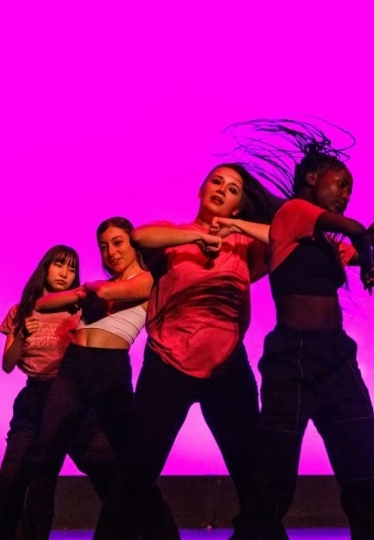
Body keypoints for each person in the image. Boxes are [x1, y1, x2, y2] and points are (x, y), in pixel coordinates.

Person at [92, 164, 284, 540]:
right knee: (138, 467)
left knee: (251, 471)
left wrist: (235, 228)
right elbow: (140, 236)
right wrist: (195, 240)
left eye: (232, 189)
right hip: (168, 364)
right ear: (201, 188)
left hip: (227, 368)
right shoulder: (174, 236)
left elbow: (283, 237)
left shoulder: (245, 246)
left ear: (237, 205)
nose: (221, 190)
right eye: (216, 182)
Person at [229, 119, 374, 540]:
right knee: (276, 468)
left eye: (349, 191)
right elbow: (357, 232)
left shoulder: (323, 244)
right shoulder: (292, 214)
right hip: (293, 359)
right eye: (340, 185)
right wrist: (367, 246)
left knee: (362, 460)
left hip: (336, 357)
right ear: (312, 177)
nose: (345, 195)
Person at [22, 218, 177, 540]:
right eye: (103, 246)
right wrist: (82, 291)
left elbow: (105, 290)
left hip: (110, 371)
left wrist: (85, 292)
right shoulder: (92, 289)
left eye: (117, 243)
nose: (110, 252)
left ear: (134, 245)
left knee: (132, 464)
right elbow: (42, 303)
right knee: (45, 457)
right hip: (73, 369)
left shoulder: (149, 280)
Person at [0, 245, 116, 540]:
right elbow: (7, 365)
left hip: (71, 397)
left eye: (72, 268)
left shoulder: (78, 310)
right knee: (11, 478)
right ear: (45, 268)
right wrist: (22, 335)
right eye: (59, 265)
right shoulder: (22, 311)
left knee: (100, 470)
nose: (65, 273)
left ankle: (133, 528)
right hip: (34, 398)